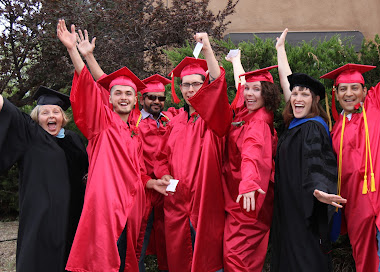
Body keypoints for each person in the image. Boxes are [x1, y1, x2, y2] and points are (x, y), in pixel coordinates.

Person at [57, 19, 169, 272]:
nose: (124, 97)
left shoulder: (134, 132)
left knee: (125, 262)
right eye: (118, 92)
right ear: (109, 97)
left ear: (135, 99)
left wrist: (153, 183)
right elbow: (87, 84)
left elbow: (138, 174)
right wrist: (74, 51)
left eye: (129, 94)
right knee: (102, 261)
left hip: (132, 208)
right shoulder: (101, 124)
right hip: (107, 207)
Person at [319, 2, 380, 271]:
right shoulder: (335, 130)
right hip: (357, 208)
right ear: (335, 94)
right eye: (342, 88)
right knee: (367, 264)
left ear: (364, 89)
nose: (348, 93)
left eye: (354, 87)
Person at [154, 33, 233, 272]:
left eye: (196, 84)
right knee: (180, 261)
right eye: (186, 85)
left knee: (207, 262)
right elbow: (161, 157)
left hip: (204, 204)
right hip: (176, 203)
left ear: (205, 85)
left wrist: (207, 49)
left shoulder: (213, 119)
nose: (190, 90)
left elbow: (219, 88)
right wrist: (164, 174)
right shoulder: (174, 122)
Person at [270, 28, 346, 272]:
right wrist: (280, 50)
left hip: (306, 211)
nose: (297, 97)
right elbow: (287, 81)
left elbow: (318, 164)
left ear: (314, 100)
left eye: (305, 94)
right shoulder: (294, 124)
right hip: (288, 209)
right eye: (295, 94)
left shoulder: (313, 128)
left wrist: (322, 191)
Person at [0, 86, 88, 271]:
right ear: (36, 117)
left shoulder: (74, 139)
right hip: (42, 215)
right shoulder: (30, 135)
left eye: (56, 112)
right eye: (45, 112)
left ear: (63, 117)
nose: (51, 116)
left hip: (74, 215)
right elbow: (7, 109)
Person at [222, 50, 279, 272]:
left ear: (268, 94)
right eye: (249, 88)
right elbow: (240, 87)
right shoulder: (249, 113)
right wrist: (236, 61)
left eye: (257, 89)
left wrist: (248, 183)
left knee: (235, 258)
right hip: (242, 198)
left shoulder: (257, 124)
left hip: (248, 199)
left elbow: (252, 154)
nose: (249, 94)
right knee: (247, 259)